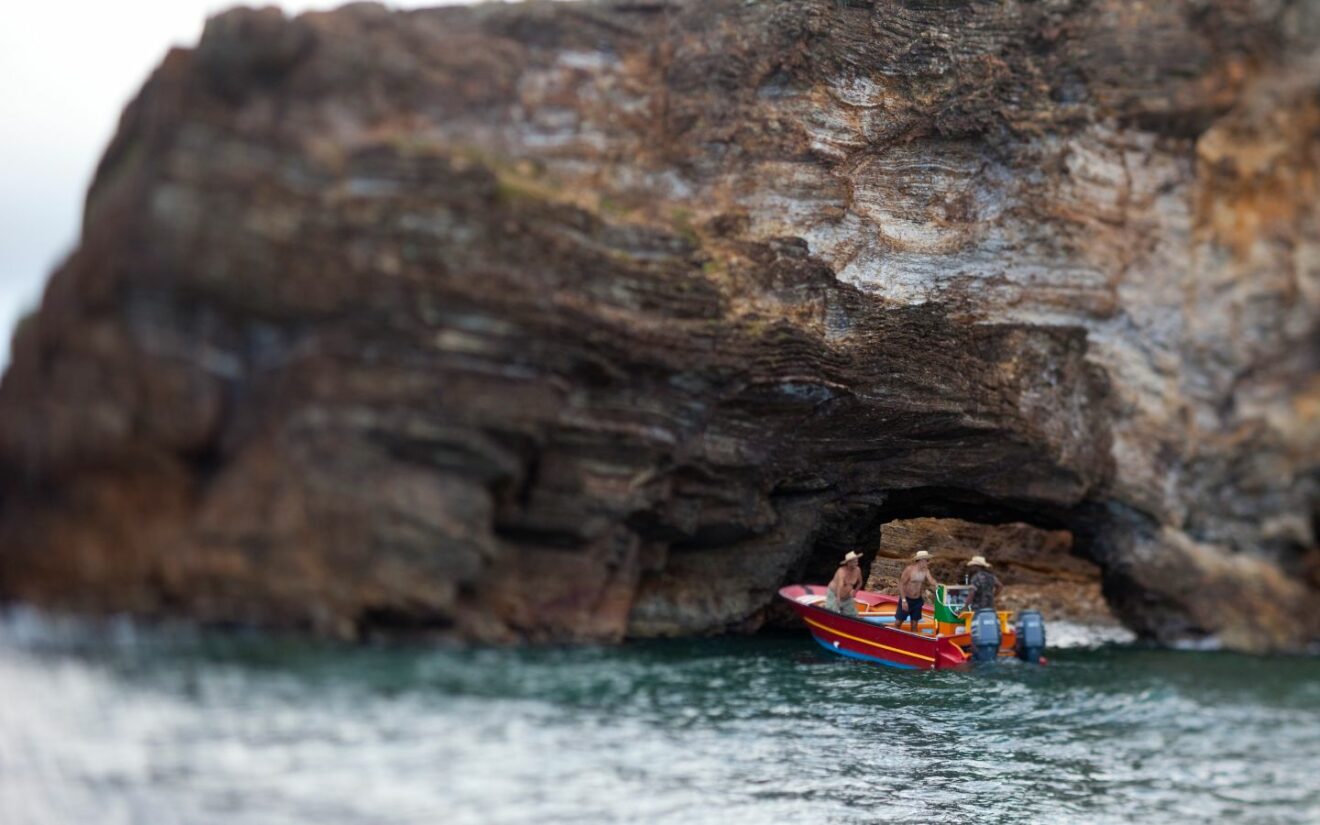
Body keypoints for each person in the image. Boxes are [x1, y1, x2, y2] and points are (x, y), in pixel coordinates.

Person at [895, 550, 937, 632]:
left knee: (914, 625)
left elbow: (931, 580)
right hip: (907, 599)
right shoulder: (909, 570)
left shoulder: (926, 571)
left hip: (917, 601)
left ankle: (913, 643)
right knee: (898, 622)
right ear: (921, 560)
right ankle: (892, 638)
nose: (928, 562)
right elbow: (901, 584)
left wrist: (937, 584)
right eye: (927, 560)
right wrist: (903, 600)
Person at [825, 551, 864, 617]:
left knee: (853, 615)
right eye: (854, 561)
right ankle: (826, 605)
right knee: (832, 612)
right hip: (834, 594)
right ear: (848, 563)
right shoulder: (841, 571)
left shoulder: (858, 570)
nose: (857, 563)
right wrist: (838, 598)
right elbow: (840, 585)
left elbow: (860, 582)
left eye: (857, 561)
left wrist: (854, 592)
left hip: (847, 596)